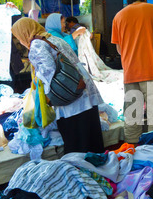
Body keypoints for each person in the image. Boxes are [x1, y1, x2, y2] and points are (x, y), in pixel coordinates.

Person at [11, 17, 105, 155]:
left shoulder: (37, 44)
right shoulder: (53, 38)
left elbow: (47, 70)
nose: (20, 41)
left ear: (25, 33)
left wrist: (38, 88)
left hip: (70, 99)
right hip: (83, 93)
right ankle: (99, 172)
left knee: (78, 148)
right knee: (93, 142)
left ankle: (83, 174)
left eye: (19, 37)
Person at [111, 0, 153, 144]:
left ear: (128, 2)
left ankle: (131, 148)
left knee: (132, 114)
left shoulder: (118, 16)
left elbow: (119, 50)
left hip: (130, 72)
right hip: (151, 70)